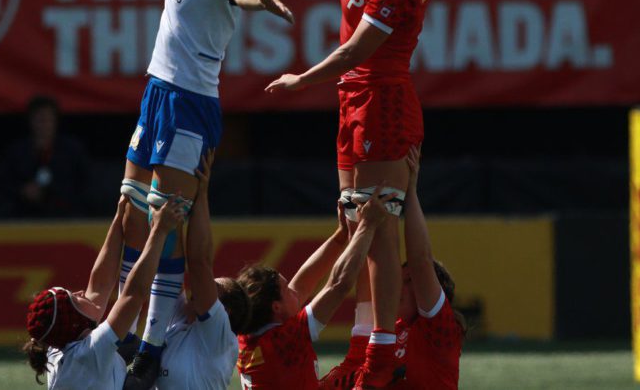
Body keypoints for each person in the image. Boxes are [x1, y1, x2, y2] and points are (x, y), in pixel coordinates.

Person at [266, 0, 469, 390]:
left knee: (379, 225)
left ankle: (378, 361)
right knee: (356, 220)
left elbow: (357, 53)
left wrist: (302, 79)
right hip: (355, 99)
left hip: (380, 98)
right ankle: (362, 351)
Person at [119, 0, 293, 389]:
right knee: (130, 211)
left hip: (189, 103)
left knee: (165, 219)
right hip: (159, 91)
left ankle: (147, 346)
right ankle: (131, 326)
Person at [22, 197, 187, 389]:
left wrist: (119, 218)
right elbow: (134, 294)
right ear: (76, 322)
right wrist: (160, 230)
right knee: (145, 364)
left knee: (126, 345)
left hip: (95, 370)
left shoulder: (58, 346)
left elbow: (99, 285)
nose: (81, 292)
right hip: (98, 370)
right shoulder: (88, 355)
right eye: (74, 297)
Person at [236, 190, 388, 388]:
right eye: (286, 289)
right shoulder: (284, 341)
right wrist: (367, 225)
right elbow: (338, 285)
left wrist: (340, 237)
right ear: (276, 307)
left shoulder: (249, 335)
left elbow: (301, 286)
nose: (294, 290)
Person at [157, 150, 251, 389]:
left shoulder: (220, 336)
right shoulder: (182, 320)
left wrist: (201, 193)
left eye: (214, 287)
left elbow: (199, 264)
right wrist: (173, 200)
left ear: (224, 311)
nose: (205, 286)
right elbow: (169, 262)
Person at [392, 146, 466, 389]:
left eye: (407, 281)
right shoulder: (395, 328)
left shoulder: (438, 327)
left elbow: (421, 261)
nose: (397, 288)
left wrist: (409, 192)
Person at [2, 95, 87, 217]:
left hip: (65, 216)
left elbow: (83, 185)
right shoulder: (17, 152)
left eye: (48, 119)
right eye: (39, 119)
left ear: (55, 121)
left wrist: (52, 192)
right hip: (23, 216)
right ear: (30, 121)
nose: (43, 125)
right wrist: (23, 191)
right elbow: (5, 183)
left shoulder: (73, 151)